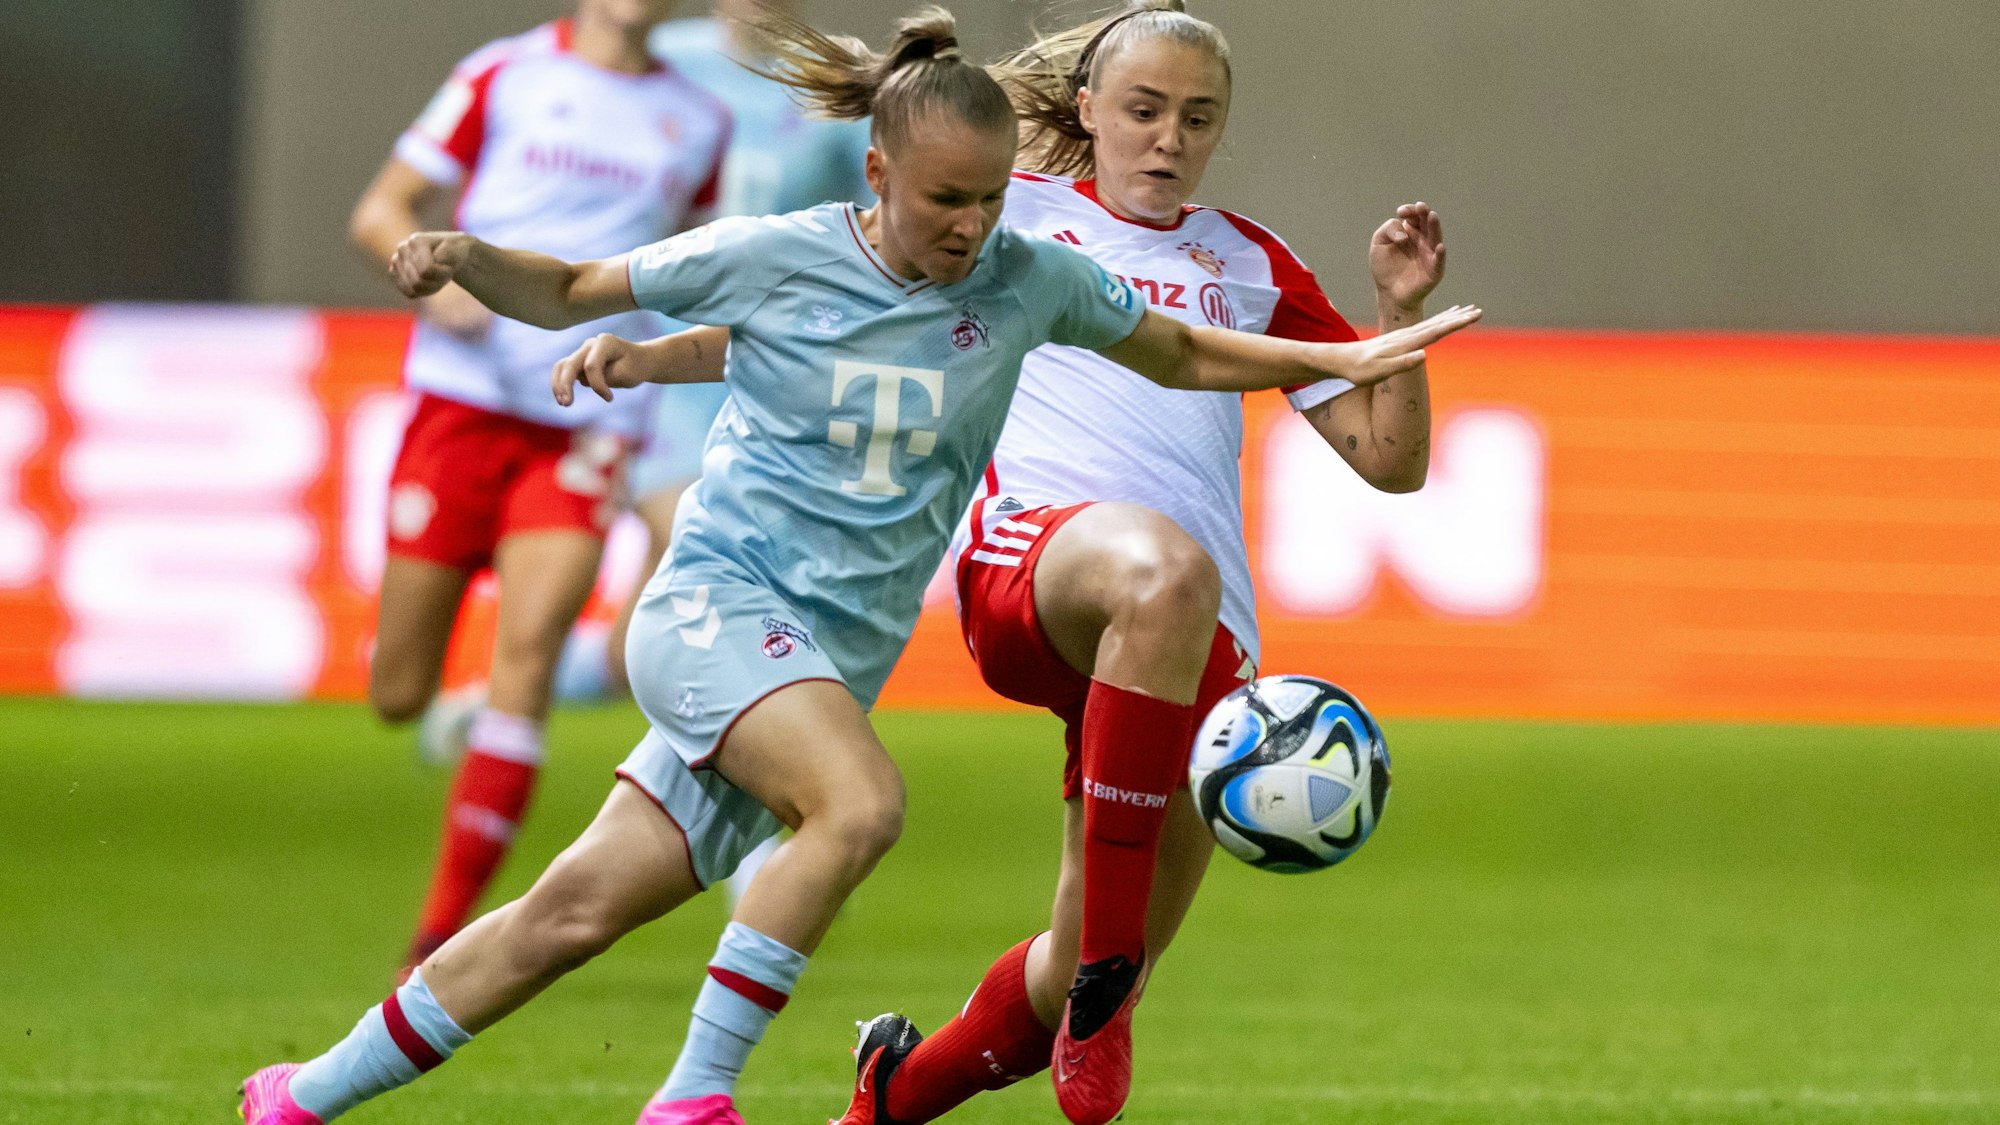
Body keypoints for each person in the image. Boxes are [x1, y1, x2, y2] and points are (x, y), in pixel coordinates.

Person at [239, 7, 1478, 1125]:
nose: (969, 226)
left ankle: (300, 1096)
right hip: (800, 599)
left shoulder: (1037, 270)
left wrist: (1380, 344)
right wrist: (473, 260)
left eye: (1194, 117)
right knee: (870, 798)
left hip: (837, 651)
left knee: (571, 912)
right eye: (1141, 108)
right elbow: (593, 290)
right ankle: (693, 1102)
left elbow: (1190, 361)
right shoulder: (865, 237)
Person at [828, 4, 1453, 1124]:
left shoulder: (1248, 260)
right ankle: (1105, 996)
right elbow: (869, 239)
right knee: (1160, 570)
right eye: (1144, 110)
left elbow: (1389, 463)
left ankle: (887, 1098)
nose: (1168, 137)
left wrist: (1390, 318)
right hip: (1038, 566)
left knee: (1072, 957)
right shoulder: (1009, 217)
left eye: (1195, 117)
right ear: (1085, 111)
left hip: (1190, 645)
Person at [346, 0, 731, 976]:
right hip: (460, 409)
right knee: (398, 691)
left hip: (583, 421)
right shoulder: (504, 73)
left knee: (527, 656)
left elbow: (683, 267)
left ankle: (436, 942)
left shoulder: (698, 121)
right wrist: (444, 287)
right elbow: (381, 209)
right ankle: (427, 702)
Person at [557, 0, 878, 704]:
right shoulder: (664, 59)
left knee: (685, 572)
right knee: (694, 540)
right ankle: (734, 738)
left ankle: (544, 683)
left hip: (771, 373)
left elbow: (880, 227)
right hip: (654, 358)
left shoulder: (836, 82)